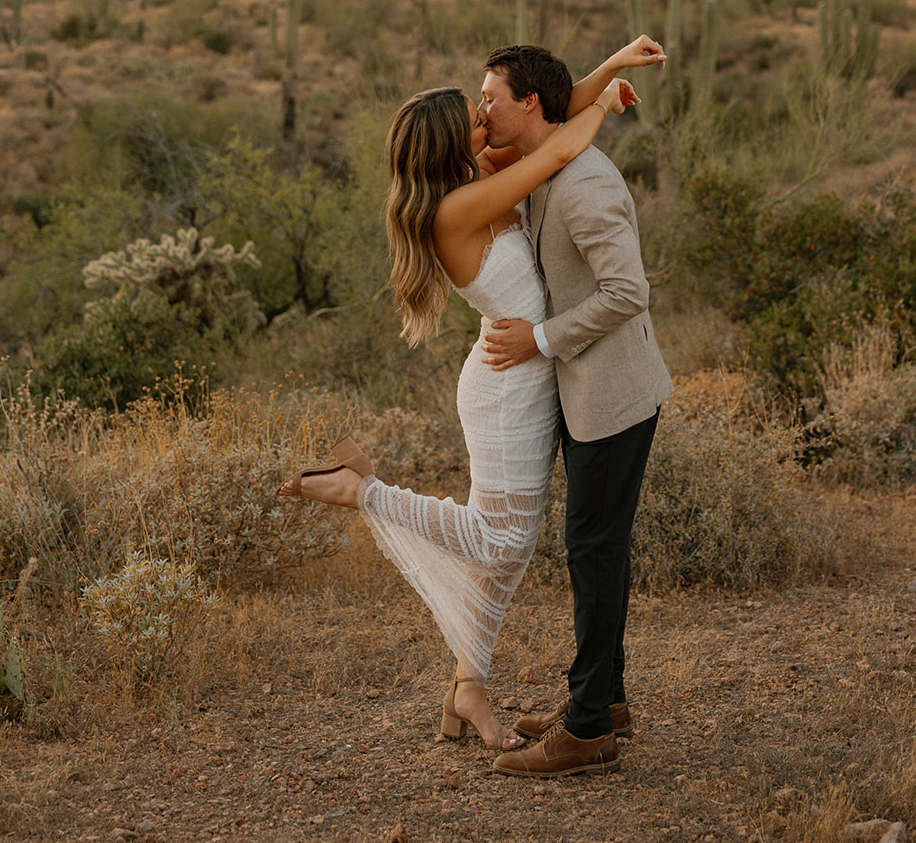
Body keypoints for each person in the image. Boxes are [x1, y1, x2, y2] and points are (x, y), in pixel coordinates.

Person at [277, 36, 666, 754]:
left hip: (530, 372)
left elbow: (545, 116)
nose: (483, 109)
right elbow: (553, 147)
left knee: (506, 552)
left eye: (486, 101)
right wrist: (608, 104)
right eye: (473, 108)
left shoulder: (482, 169)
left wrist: (606, 71)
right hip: (504, 383)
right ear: (453, 138)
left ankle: (468, 690)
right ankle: (357, 491)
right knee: (501, 539)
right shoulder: (457, 208)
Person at [477, 43, 673, 778]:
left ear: (528, 103)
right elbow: (573, 102)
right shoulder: (546, 162)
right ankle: (606, 699)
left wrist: (539, 339)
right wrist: (609, 76)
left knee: (593, 552)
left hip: (613, 397)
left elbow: (628, 293)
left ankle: (587, 728)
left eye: (490, 94)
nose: (482, 106)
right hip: (587, 392)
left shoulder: (584, 183)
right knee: (596, 549)